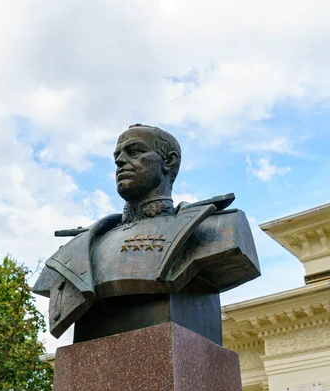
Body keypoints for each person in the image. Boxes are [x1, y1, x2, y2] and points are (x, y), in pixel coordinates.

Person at [33, 124, 259, 339]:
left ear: (168, 161)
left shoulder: (215, 229)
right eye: (117, 156)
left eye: (135, 151)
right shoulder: (80, 248)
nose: (121, 161)